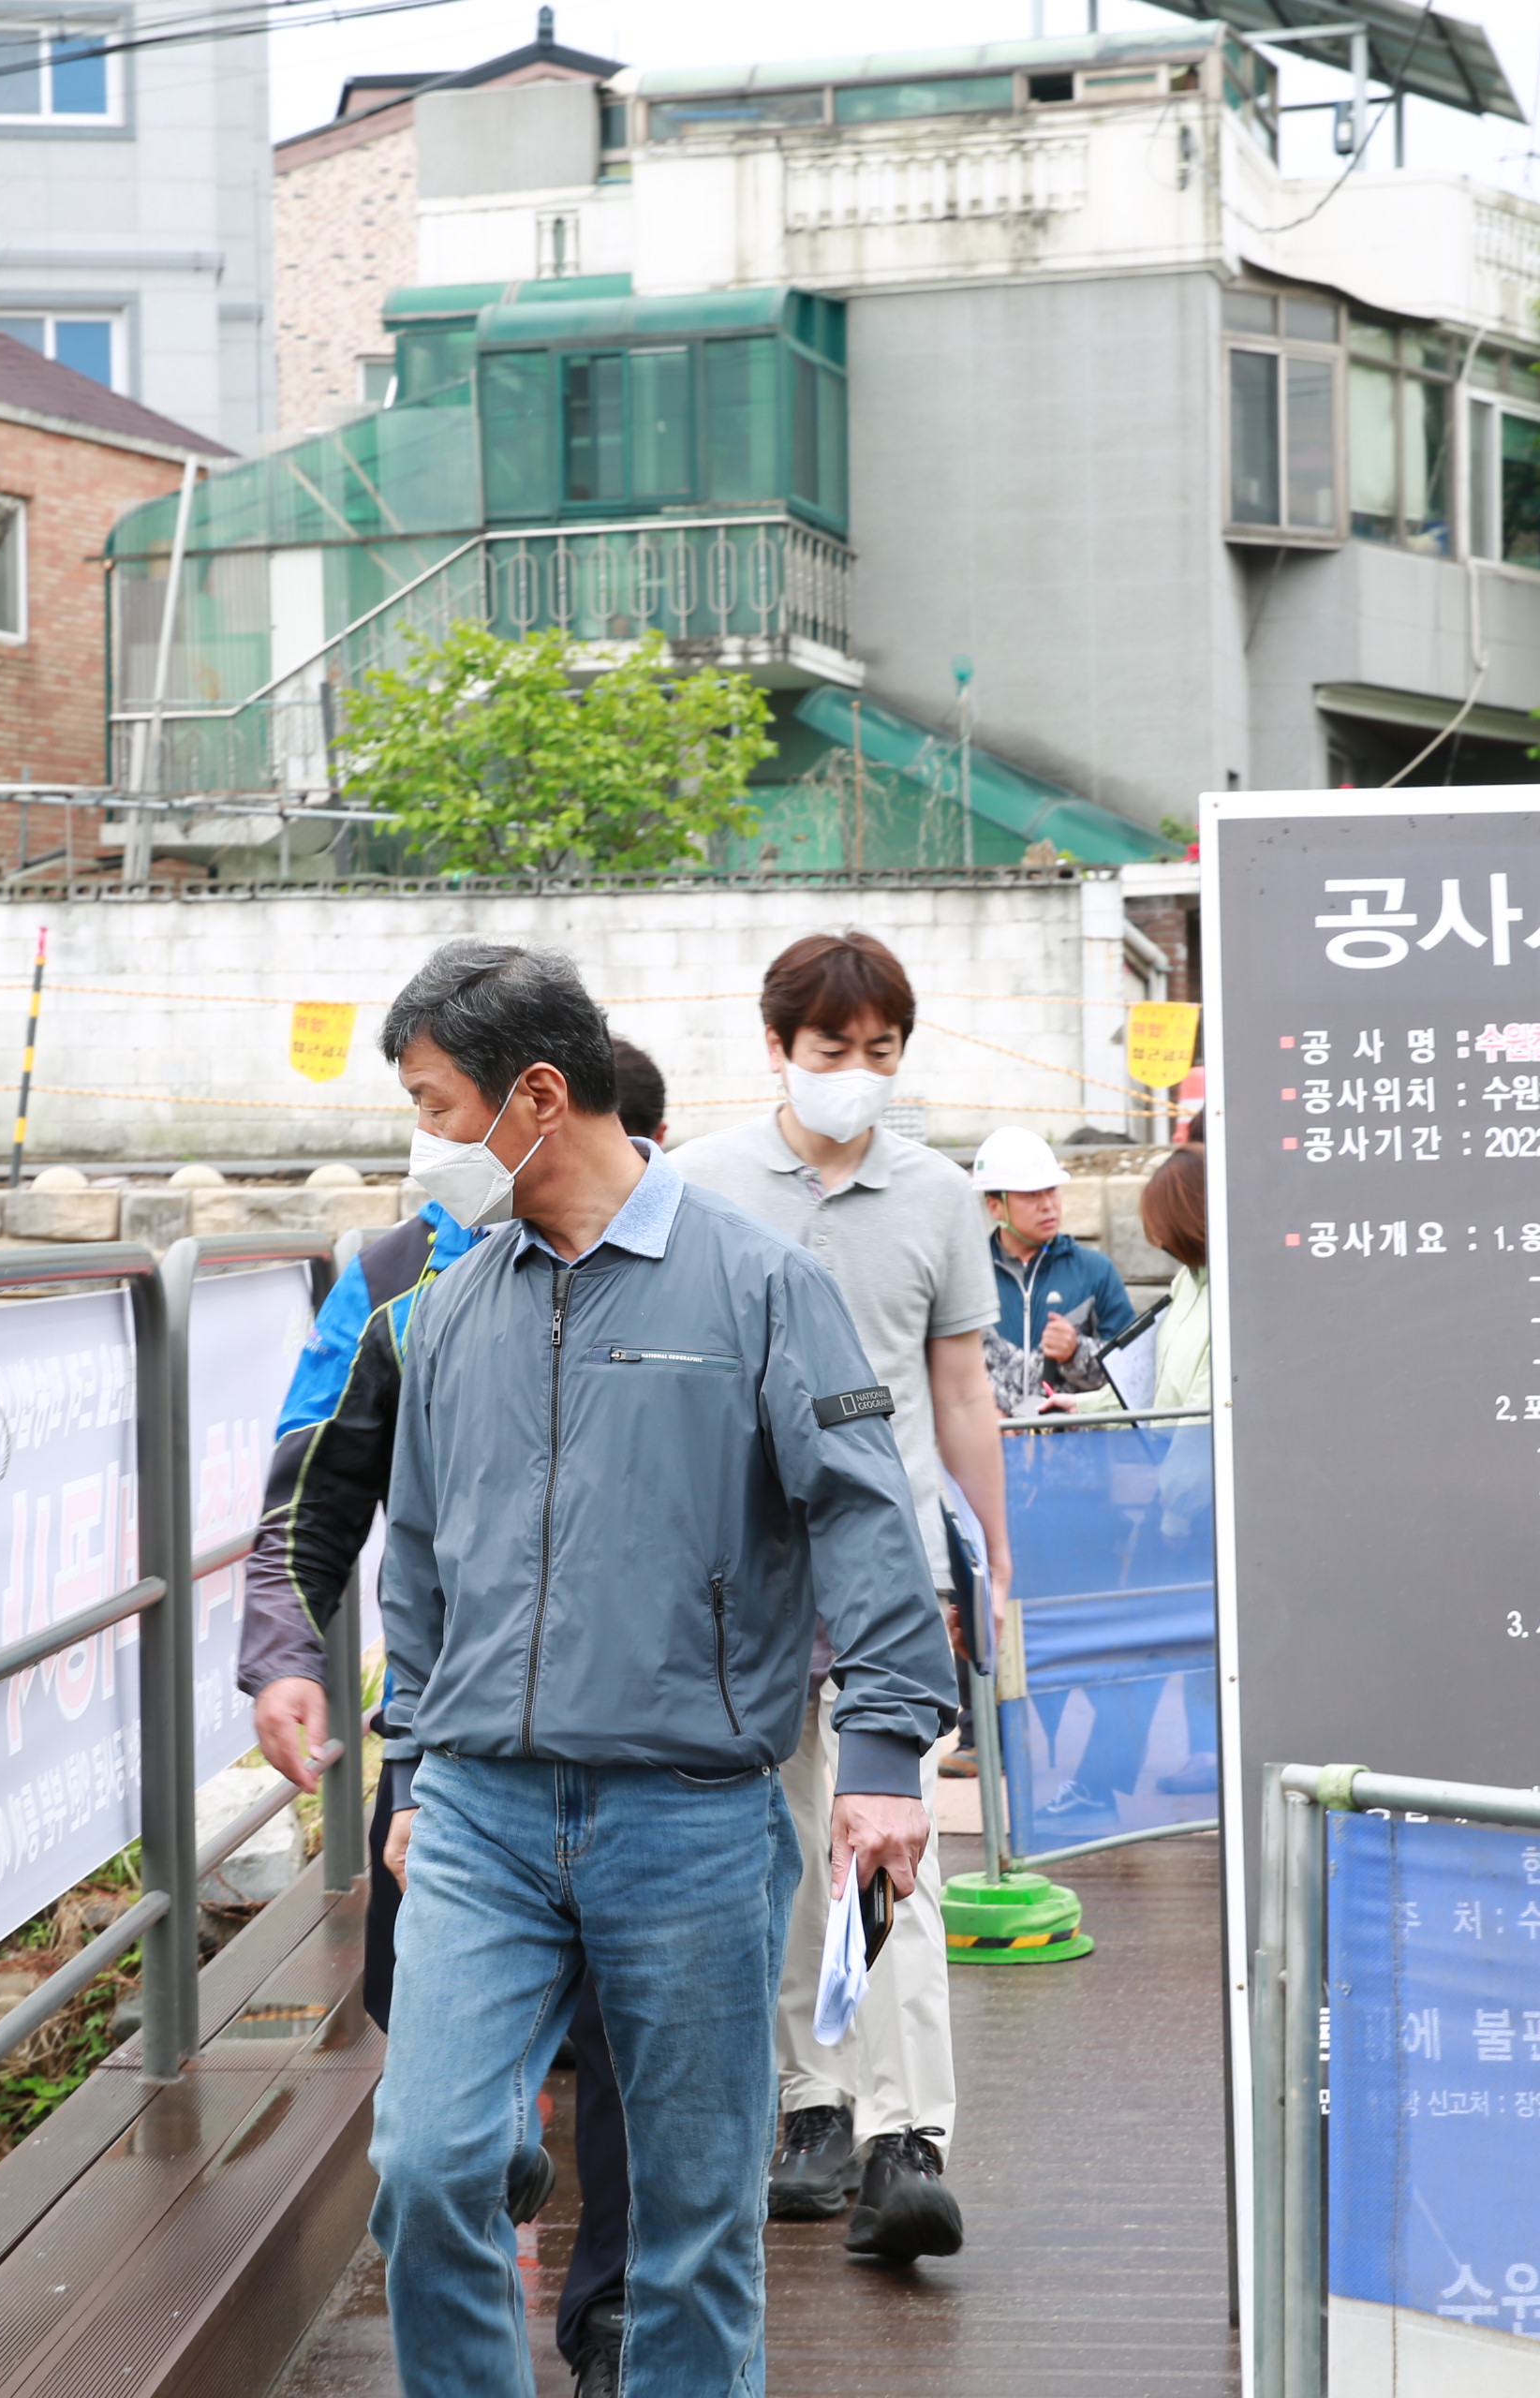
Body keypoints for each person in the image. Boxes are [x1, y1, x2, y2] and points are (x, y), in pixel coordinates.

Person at [363, 941, 954, 2398]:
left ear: (538, 1097)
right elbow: (421, 1560)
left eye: (438, 1108)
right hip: (483, 1818)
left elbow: (867, 1515)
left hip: (690, 1818)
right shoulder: (446, 1310)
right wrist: (412, 1765)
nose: (422, 1145)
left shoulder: (762, 1288)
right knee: (429, 2165)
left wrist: (881, 1762)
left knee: (694, 2230)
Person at [234, 1034, 678, 2398]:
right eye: (427, 1110)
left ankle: (608, 2321)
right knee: (421, 2025)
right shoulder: (390, 1283)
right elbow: (309, 1493)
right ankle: (494, 2179)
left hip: (650, 1757)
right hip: (453, 1745)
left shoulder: (707, 1282)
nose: (434, 1138)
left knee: (625, 2050)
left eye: (440, 1107)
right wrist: (283, 1653)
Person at [670, 930, 1010, 2264]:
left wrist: (988, 1559)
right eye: (832, 1052)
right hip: (743, 1580)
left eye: (880, 1053)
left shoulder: (936, 1195)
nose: (856, 1075)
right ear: (777, 1050)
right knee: (784, 1847)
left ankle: (905, 2136)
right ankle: (813, 2113)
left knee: (896, 1846)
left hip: (887, 1580)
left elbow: (963, 1389)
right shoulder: (696, 1184)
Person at [971, 1126, 1139, 1408]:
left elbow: (1134, 1372)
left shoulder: (1095, 1270)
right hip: (991, 1446)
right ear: (995, 1207)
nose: (1048, 1205)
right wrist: (987, 1416)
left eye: (1052, 1191)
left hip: (1075, 1447)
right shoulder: (969, 1276)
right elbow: (944, 1371)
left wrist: (1076, 1352)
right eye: (1031, 1195)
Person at [1140, 1144, 1211, 1412]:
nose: (1159, 1243)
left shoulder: (1233, 1300)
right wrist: (1082, 1407)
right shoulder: (1186, 1279)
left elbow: (1199, 1428)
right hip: (1164, 1444)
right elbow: (1155, 1376)